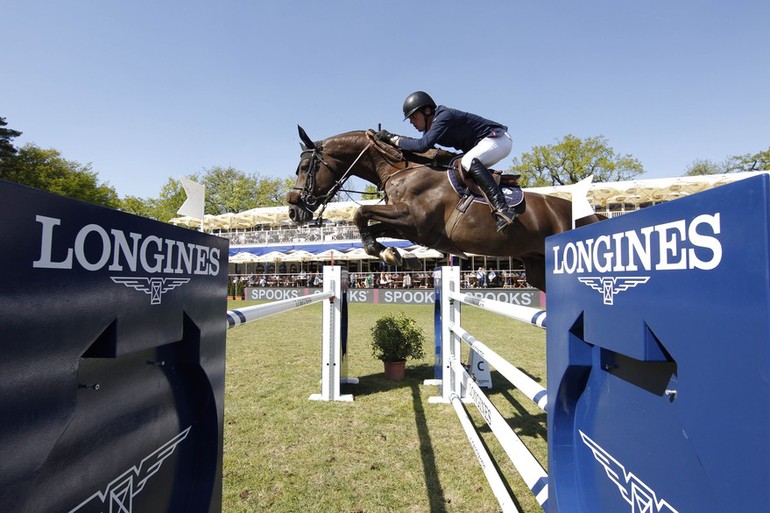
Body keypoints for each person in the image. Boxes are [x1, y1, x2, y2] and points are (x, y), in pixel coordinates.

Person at [379, 91, 516, 231]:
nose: (411, 122)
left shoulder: (443, 116)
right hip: (486, 144)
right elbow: (420, 146)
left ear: (427, 111)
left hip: (498, 139)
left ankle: (502, 209)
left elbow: (422, 146)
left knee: (468, 161)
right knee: (458, 166)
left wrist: (393, 139)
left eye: (413, 117)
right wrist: (391, 141)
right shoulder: (431, 128)